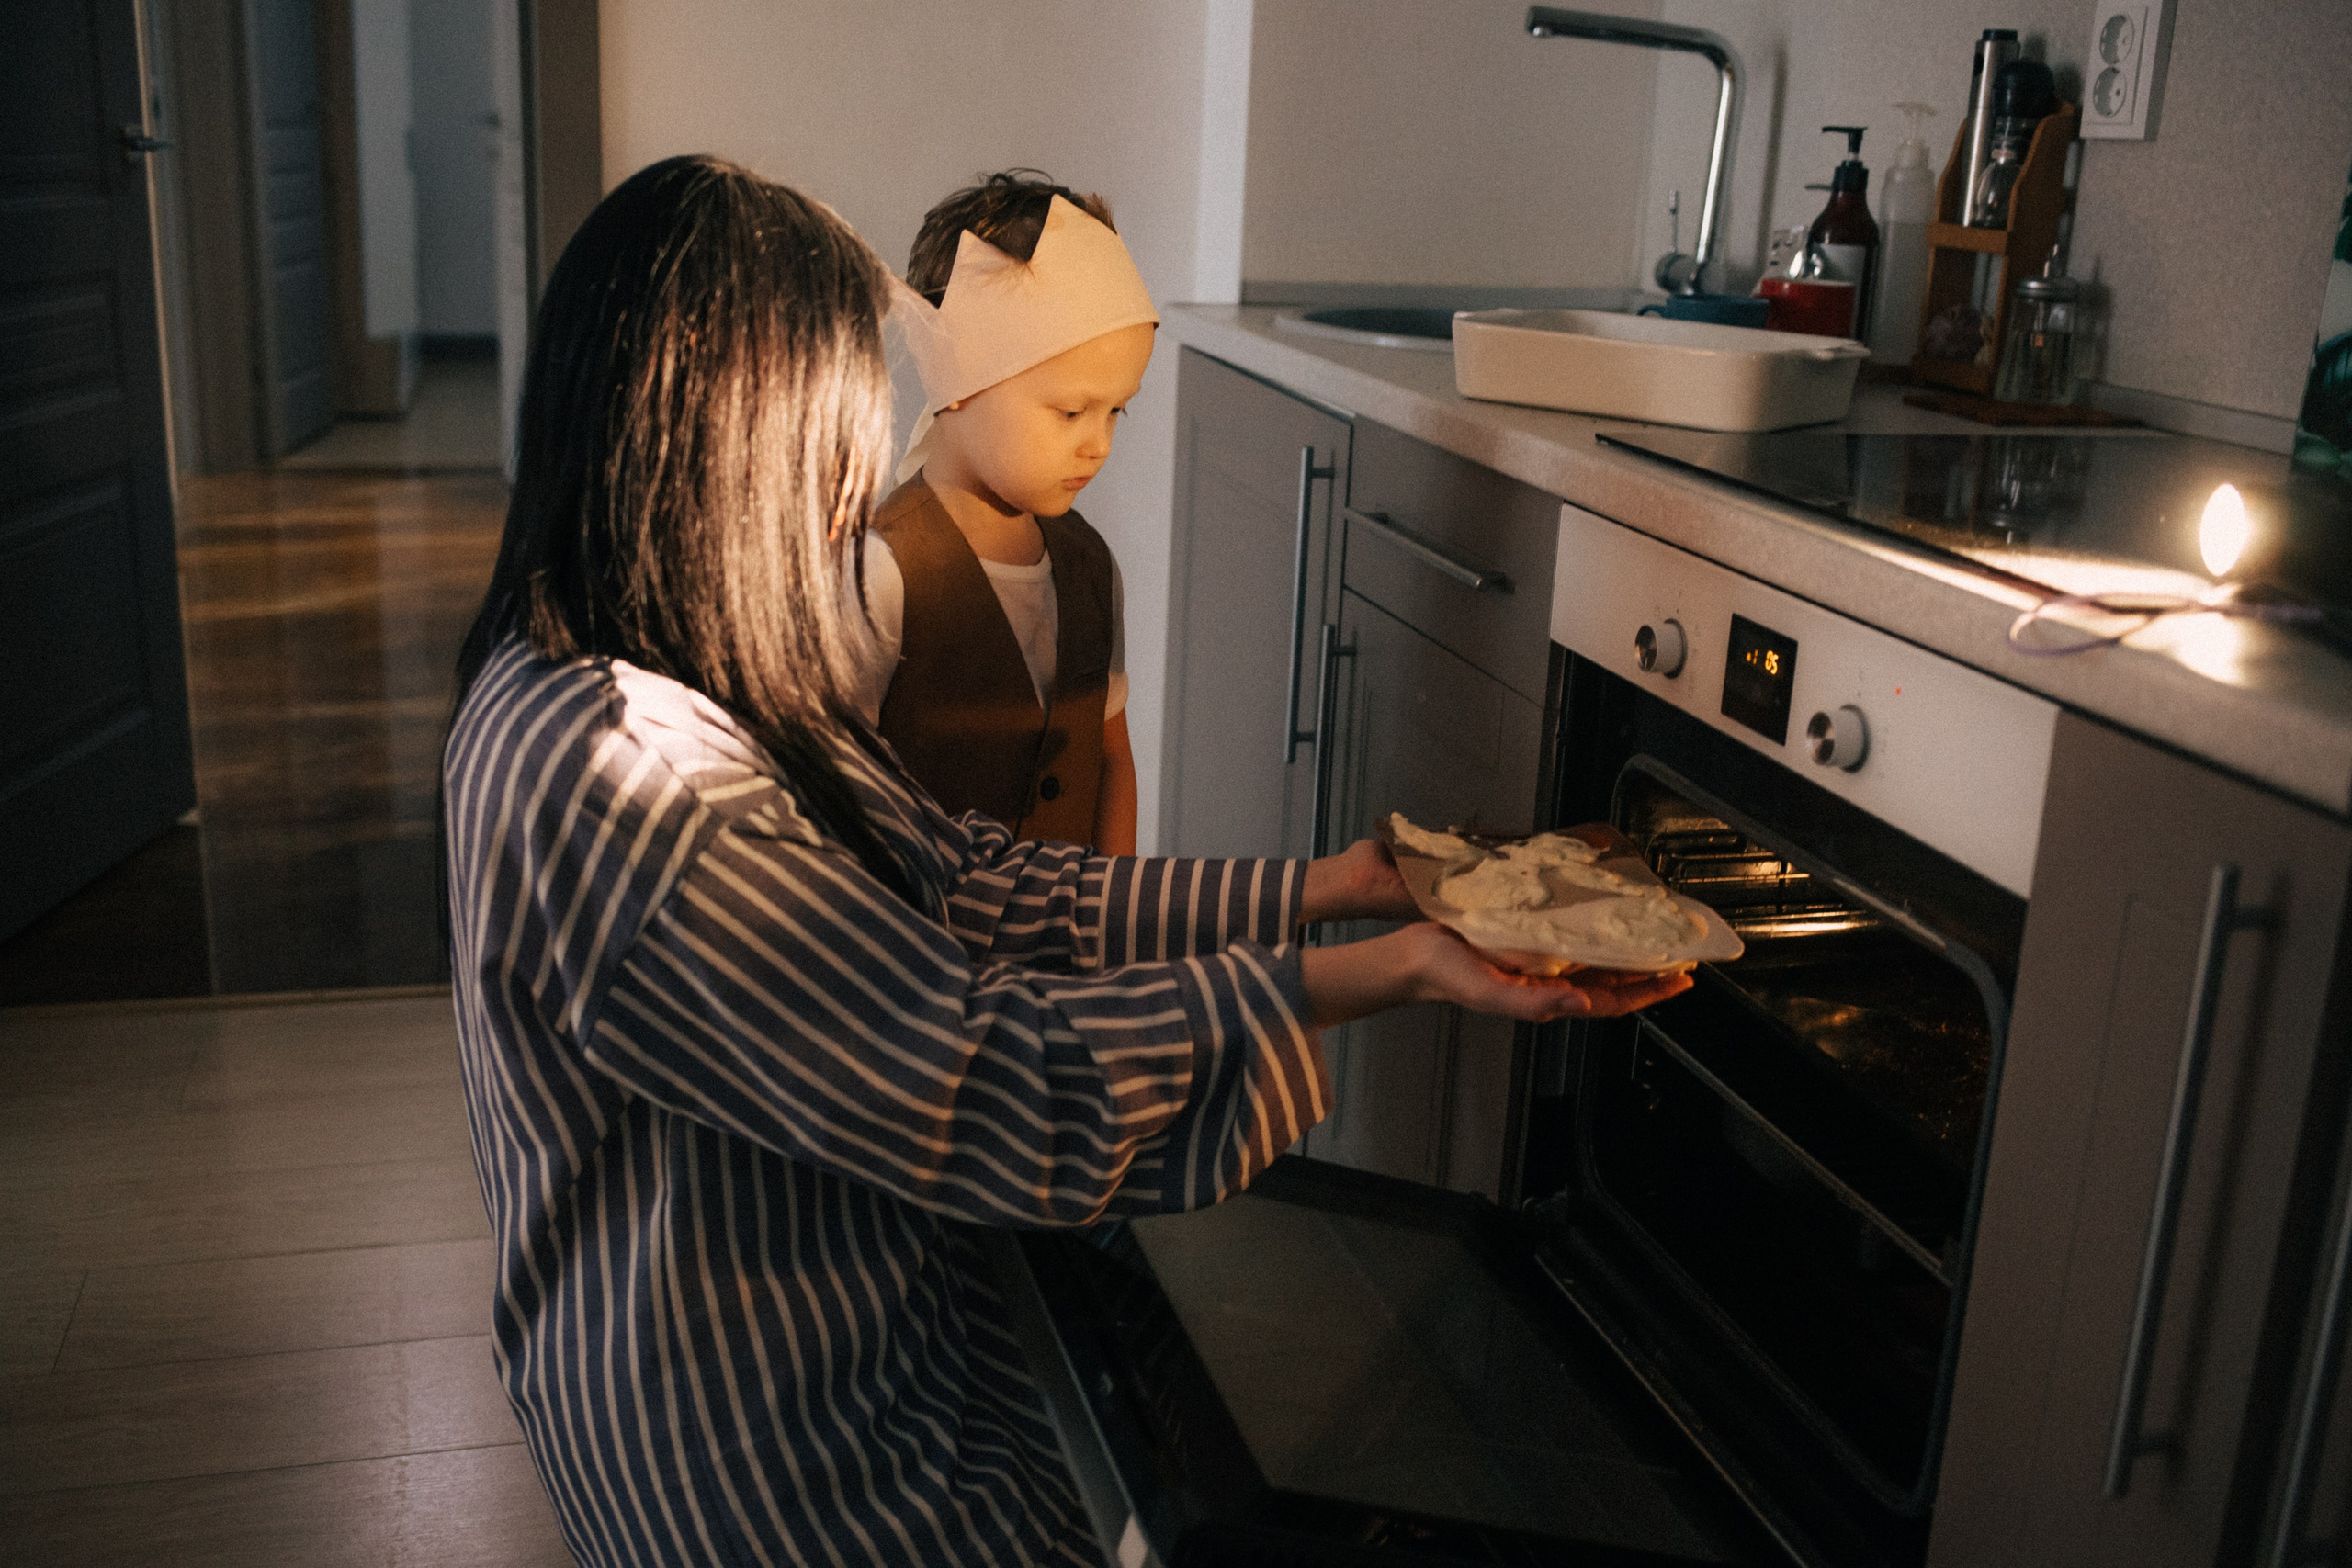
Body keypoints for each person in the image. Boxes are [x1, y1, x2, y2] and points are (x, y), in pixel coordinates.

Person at [442, 154, 1690, 1568]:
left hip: (843, 1311)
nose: (858, 496)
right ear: (735, 459)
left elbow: (972, 879)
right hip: (760, 1444)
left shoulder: (646, 666)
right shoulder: (637, 782)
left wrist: (1334, 888)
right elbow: (993, 1079)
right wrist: (1376, 972)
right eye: (841, 460)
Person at [846, 173, 1148, 853]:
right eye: (1071, 410)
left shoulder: (1090, 567)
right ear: (958, 383)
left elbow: (1109, 760)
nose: (1098, 442)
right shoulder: (883, 575)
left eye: (1115, 410)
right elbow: (841, 807)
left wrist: (1116, 913)